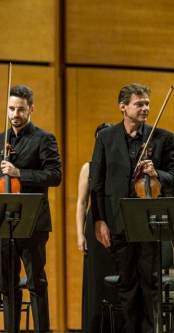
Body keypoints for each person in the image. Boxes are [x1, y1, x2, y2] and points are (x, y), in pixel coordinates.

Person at [90, 83, 174, 333]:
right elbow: (98, 182)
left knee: (151, 283)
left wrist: (156, 173)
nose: (146, 108)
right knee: (127, 284)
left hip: (151, 222)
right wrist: (99, 220)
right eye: (140, 103)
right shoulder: (106, 138)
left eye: (147, 103)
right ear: (123, 107)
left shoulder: (163, 138)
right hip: (118, 221)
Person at [0, 85, 62, 333]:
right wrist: (3, 181)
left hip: (33, 221)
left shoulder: (44, 139)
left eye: (21, 109)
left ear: (31, 109)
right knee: (8, 285)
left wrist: (20, 173)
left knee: (36, 282)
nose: (15, 114)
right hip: (5, 221)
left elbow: (55, 176)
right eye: (11, 109)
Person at [76, 122, 124, 332]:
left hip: (118, 224)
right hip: (94, 226)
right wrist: (79, 234)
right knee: (97, 282)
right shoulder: (88, 167)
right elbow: (81, 202)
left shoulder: (122, 167)